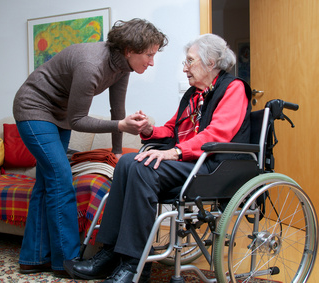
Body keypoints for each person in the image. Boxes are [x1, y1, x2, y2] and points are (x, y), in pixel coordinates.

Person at [64, 33, 252, 283]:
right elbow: (172, 129)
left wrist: (173, 152)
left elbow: (216, 134)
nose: (185, 68)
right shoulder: (193, 95)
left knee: (143, 169)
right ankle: (109, 252)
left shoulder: (233, 88)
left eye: (190, 61)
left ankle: (134, 266)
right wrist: (149, 130)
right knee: (127, 163)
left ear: (211, 62)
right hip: (188, 163)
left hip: (213, 167)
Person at [12, 18, 168, 277]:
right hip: (33, 108)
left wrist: (117, 153)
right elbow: (79, 120)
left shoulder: (122, 67)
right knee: (61, 180)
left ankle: (33, 257)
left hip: (58, 115)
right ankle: (67, 261)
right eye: (149, 54)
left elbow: (117, 110)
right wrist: (120, 126)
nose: (152, 62)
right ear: (130, 50)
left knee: (46, 183)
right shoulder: (91, 64)